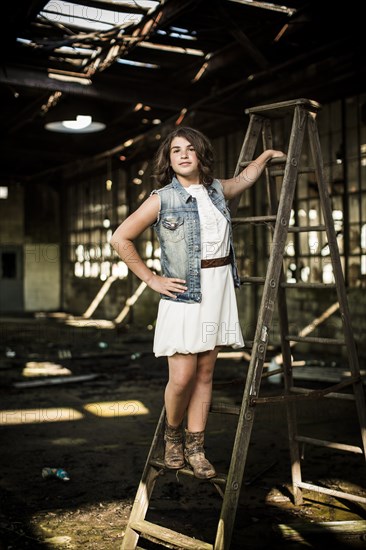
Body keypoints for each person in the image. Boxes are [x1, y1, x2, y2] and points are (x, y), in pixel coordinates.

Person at [111, 126, 284, 479]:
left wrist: (265, 157)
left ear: (201, 154)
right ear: (169, 159)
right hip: (185, 293)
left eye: (191, 148)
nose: (184, 154)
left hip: (218, 288)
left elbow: (244, 179)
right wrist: (151, 278)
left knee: (206, 373)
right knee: (182, 376)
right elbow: (120, 238)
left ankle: (196, 446)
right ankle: (172, 439)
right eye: (177, 150)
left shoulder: (217, 191)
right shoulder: (162, 198)